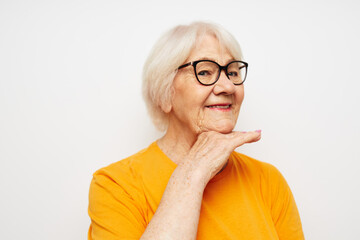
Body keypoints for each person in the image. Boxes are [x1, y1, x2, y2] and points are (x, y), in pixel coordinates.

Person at [88, 22, 304, 240]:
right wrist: (195, 170)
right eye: (204, 72)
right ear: (165, 94)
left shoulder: (268, 180)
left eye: (232, 72)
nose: (228, 87)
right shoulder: (116, 186)